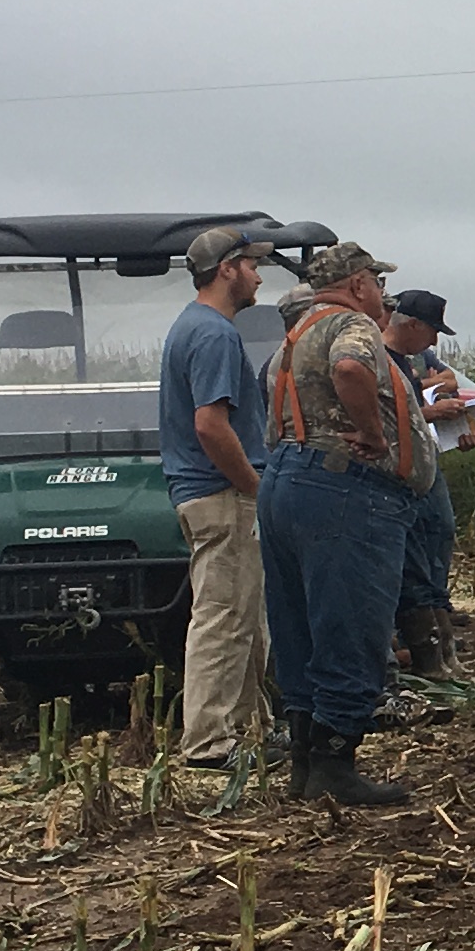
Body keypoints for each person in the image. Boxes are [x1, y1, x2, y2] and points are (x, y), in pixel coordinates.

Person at [256, 239, 423, 806]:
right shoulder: (350, 326)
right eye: (377, 282)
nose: (382, 295)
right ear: (357, 285)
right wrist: (374, 436)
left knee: (298, 625)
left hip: (287, 481)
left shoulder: (290, 339)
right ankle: (335, 762)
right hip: (342, 488)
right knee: (350, 624)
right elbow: (350, 367)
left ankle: (304, 762)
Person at [156, 222, 273, 769]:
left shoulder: (192, 327)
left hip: (207, 493)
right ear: (226, 269)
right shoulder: (215, 334)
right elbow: (210, 425)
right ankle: (208, 744)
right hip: (221, 494)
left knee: (244, 616)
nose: (257, 275)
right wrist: (254, 485)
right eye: (251, 265)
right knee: (224, 616)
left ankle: (247, 729)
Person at [379, 286, 475, 680]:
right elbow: (391, 418)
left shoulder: (409, 361)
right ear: (411, 324)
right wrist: (432, 411)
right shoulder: (380, 359)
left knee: (438, 534)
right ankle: (421, 650)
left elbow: (442, 383)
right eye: (431, 330)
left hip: (425, 466)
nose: (435, 341)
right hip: (400, 475)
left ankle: (439, 644)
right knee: (413, 557)